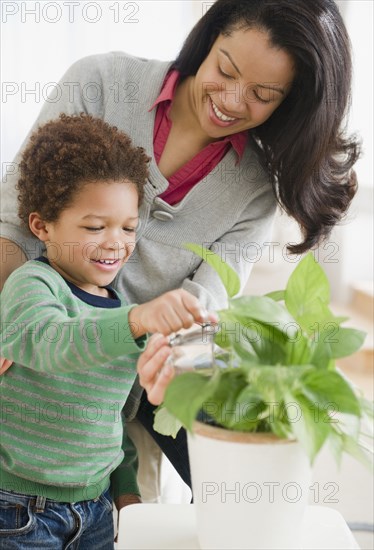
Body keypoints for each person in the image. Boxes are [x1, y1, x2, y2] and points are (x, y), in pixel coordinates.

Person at [0, 0, 360, 501]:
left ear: (291, 103)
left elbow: (204, 305)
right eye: (225, 69)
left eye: (262, 94)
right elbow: (15, 225)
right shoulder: (101, 82)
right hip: (51, 323)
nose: (231, 101)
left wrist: (164, 358)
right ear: (207, 38)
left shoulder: (255, 187)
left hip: (146, 357)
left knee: (235, 466)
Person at [0, 113, 215, 549]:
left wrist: (126, 492)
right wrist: (138, 321)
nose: (116, 242)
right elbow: (49, 342)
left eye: (129, 228)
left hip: (96, 511)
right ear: (42, 226)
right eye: (95, 227)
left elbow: (108, 421)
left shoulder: (122, 313)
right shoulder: (34, 285)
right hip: (19, 508)